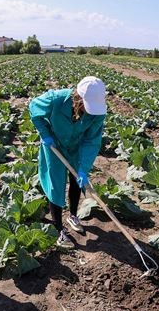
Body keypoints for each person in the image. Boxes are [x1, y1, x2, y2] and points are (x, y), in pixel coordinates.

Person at [29, 76, 106, 248]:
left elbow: (92, 140)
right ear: (78, 97)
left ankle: (72, 215)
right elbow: (34, 108)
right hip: (54, 144)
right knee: (55, 184)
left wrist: (84, 169)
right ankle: (59, 230)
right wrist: (44, 133)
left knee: (76, 180)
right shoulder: (56, 99)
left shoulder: (97, 114)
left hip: (76, 146)